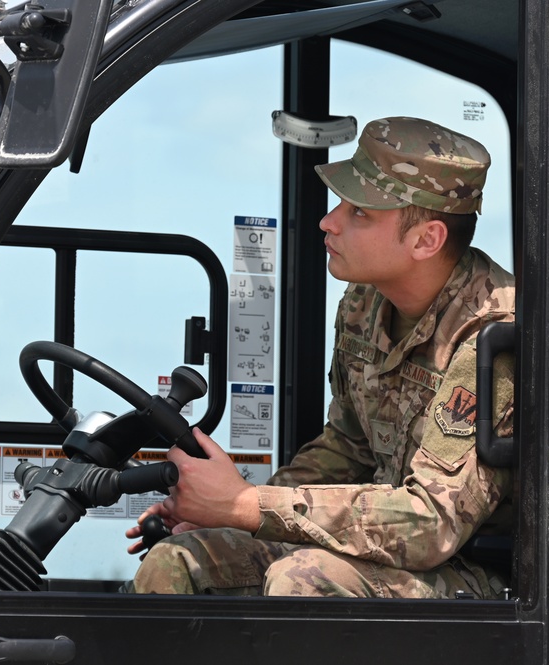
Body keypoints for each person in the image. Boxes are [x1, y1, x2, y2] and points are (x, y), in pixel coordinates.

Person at [125, 116, 515, 598]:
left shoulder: (494, 336)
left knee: (303, 581)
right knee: (179, 561)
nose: (328, 221)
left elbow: (433, 522)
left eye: (360, 213)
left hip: (481, 575)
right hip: (383, 553)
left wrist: (248, 506)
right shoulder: (364, 302)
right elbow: (348, 448)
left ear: (425, 240)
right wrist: (220, 510)